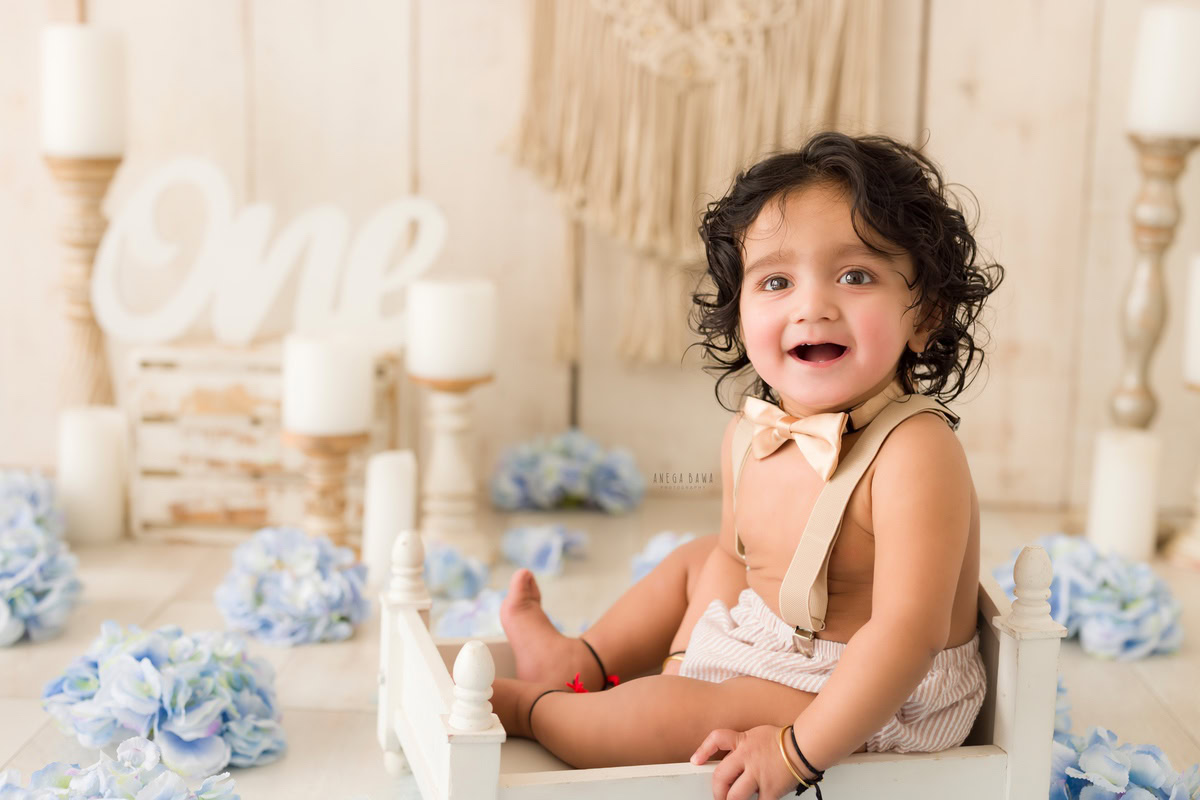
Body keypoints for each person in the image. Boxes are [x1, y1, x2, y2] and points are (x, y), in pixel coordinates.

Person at [492, 130, 1004, 800]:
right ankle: (580, 660)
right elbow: (735, 564)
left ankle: (534, 711)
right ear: (739, 315)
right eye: (776, 281)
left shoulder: (915, 453)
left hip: (872, 693)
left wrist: (795, 754)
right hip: (777, 641)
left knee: (671, 715)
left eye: (855, 276)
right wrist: (685, 662)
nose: (812, 305)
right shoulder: (749, 433)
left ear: (925, 316)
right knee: (696, 559)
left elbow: (907, 634)